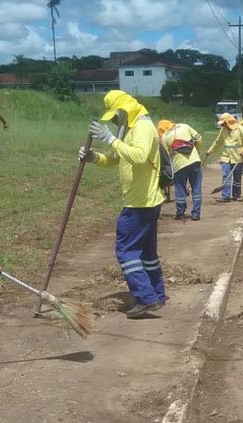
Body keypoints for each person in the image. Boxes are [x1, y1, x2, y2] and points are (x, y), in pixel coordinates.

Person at [78, 90, 167, 319]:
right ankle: (156, 294)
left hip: (140, 203)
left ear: (124, 109)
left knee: (126, 250)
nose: (115, 119)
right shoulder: (128, 128)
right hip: (140, 200)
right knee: (146, 253)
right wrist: (94, 157)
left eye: (116, 115)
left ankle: (145, 298)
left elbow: (138, 156)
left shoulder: (143, 127)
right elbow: (115, 158)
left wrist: (110, 139)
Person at [157, 119, 203, 221]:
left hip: (179, 165)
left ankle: (180, 213)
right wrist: (197, 152)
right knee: (196, 187)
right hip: (195, 161)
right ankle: (196, 213)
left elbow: (165, 156)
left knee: (180, 188)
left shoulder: (165, 137)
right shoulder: (184, 126)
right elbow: (199, 139)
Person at [206, 113, 243, 202]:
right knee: (226, 176)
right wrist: (210, 151)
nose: (222, 125)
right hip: (226, 157)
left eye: (223, 123)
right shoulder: (223, 130)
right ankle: (225, 196)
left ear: (228, 121)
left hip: (238, 157)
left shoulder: (240, 128)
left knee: (237, 177)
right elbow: (218, 142)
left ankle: (236, 195)